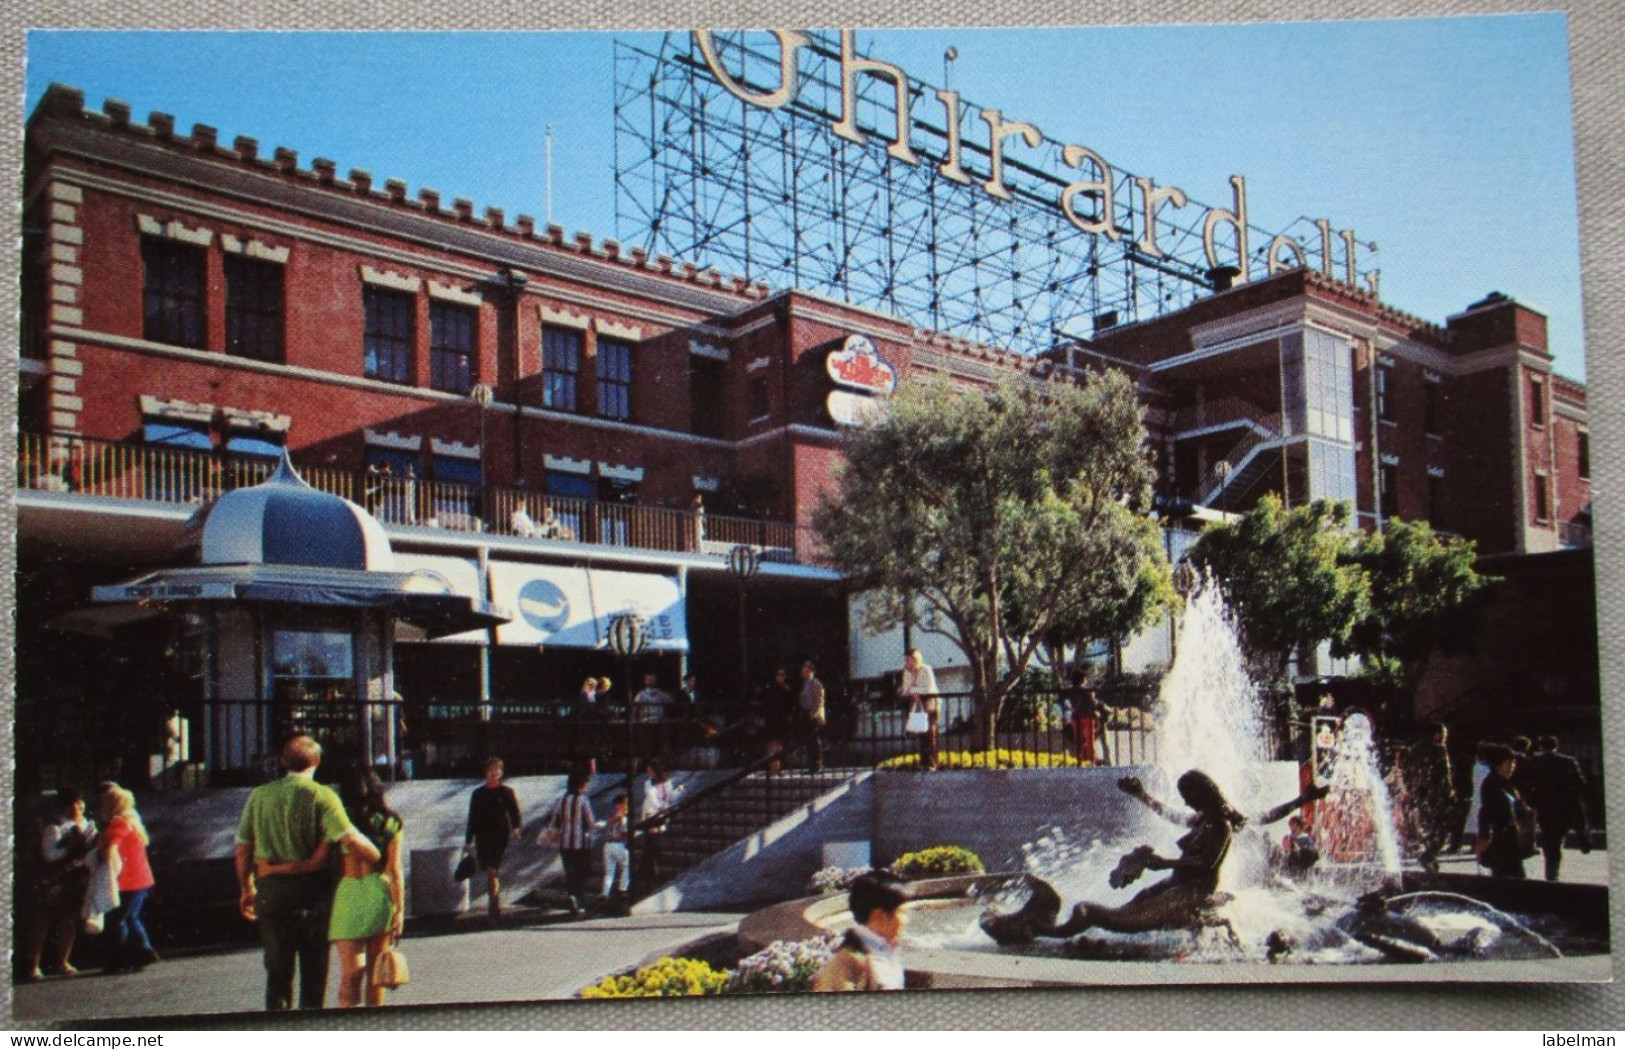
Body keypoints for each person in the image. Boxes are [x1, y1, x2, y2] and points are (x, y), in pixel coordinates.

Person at [982, 771, 1328, 944]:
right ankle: (1040, 924)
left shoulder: (1221, 826)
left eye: (1188, 797)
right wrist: (1141, 795)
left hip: (1187, 896)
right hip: (1171, 887)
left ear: (1200, 794)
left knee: (1092, 912)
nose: (1187, 804)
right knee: (1125, 909)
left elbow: (1206, 864)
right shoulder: (1202, 819)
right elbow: (1171, 815)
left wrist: (1302, 800)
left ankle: (1037, 928)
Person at [236, 735, 380, 1011]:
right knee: (314, 974)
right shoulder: (323, 796)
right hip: (314, 893)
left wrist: (246, 887)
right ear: (317, 762)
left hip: (272, 892)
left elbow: (243, 849)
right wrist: (377, 855)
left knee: (277, 972)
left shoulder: (259, 796)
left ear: (282, 762)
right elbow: (349, 837)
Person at [258, 768, 404, 1008]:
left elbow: (316, 861)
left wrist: (274, 869)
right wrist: (399, 911)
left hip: (349, 895)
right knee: (373, 975)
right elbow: (394, 870)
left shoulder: (336, 820)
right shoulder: (390, 822)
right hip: (376, 894)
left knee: (353, 972)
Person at [23, 788, 96, 981]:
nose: (80, 807)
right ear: (65, 806)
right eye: (75, 803)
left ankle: (63, 961)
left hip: (75, 879)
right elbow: (50, 855)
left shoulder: (87, 824)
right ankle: (33, 965)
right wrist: (70, 850)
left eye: (81, 803)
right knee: (43, 921)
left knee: (69, 921)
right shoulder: (54, 827)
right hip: (53, 880)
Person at [812, 870, 910, 992]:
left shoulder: (885, 950)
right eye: (901, 912)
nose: (906, 920)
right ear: (879, 915)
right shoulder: (847, 962)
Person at [97, 784, 157, 975]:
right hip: (141, 879)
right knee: (131, 917)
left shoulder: (119, 824)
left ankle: (119, 959)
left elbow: (112, 847)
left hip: (127, 881)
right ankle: (143, 952)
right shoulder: (133, 821)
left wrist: (108, 864)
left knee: (118, 920)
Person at [463, 757, 523, 927]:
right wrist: (468, 840)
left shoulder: (507, 792)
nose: (494, 773)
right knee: (490, 872)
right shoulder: (478, 794)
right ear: (485, 772)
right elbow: (472, 818)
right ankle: (495, 907)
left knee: (492, 870)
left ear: (501, 772)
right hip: (483, 836)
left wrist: (516, 828)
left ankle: (492, 911)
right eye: (491, 769)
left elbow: (514, 812)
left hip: (500, 836)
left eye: (497, 769)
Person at [1528, 735, 1590, 881]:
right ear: (1557, 745)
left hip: (1546, 808)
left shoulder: (1536, 762)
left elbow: (1530, 785)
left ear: (1541, 746)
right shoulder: (1568, 761)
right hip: (1567, 806)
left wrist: (1535, 802)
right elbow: (1581, 783)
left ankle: (1551, 872)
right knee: (1566, 833)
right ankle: (1583, 842)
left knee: (1551, 843)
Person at [1405, 721, 1458, 873]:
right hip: (1437, 795)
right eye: (1444, 734)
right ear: (1436, 734)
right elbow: (1444, 775)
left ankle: (1430, 857)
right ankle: (1428, 855)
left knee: (1428, 827)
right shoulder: (1439, 749)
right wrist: (1450, 793)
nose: (1445, 737)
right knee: (1443, 828)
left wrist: (1412, 791)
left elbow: (1408, 772)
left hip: (1421, 795)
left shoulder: (1414, 749)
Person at [545, 770, 597, 917]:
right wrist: (599, 826)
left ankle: (571, 896)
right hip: (580, 843)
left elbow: (554, 820)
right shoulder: (583, 800)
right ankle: (580, 903)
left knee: (570, 872)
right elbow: (590, 822)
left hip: (564, 842)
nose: (587, 786)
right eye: (585, 783)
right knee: (580, 874)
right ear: (581, 784)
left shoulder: (561, 800)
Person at [1476, 743, 1528, 879]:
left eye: (1513, 763)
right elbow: (1485, 812)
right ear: (1498, 764)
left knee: (1514, 877)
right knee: (1507, 877)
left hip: (1511, 839)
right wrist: (1484, 836)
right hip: (1500, 840)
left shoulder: (1507, 784)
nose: (1512, 767)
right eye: (1508, 763)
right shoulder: (1491, 784)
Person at [640, 759, 683, 885]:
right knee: (652, 842)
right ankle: (651, 872)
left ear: (656, 771)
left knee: (654, 843)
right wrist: (660, 808)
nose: (648, 773)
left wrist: (678, 790)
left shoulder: (666, 783)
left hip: (661, 817)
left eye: (650, 771)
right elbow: (652, 798)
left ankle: (650, 871)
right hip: (651, 816)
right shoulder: (648, 784)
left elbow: (670, 797)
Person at [900, 649, 940, 771]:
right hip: (917, 704)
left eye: (908, 659)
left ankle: (932, 763)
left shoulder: (926, 669)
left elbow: (929, 688)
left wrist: (915, 690)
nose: (906, 662)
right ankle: (923, 763)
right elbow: (905, 690)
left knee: (930, 733)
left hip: (930, 703)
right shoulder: (906, 672)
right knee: (920, 733)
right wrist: (913, 691)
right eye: (905, 659)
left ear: (915, 659)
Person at [1061, 671, 1106, 765]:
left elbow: (1063, 704)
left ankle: (1081, 760)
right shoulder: (1086, 690)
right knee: (1089, 740)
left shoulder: (1068, 691)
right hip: (1087, 717)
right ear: (1082, 680)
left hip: (1075, 718)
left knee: (1079, 741)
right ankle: (1092, 760)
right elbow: (1093, 703)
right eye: (1085, 679)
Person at [600, 794, 631, 907]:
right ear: (619, 805)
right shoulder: (622, 817)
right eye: (625, 804)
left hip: (607, 845)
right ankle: (623, 889)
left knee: (609, 872)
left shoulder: (611, 816)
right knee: (628, 865)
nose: (627, 806)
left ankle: (605, 894)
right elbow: (623, 832)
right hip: (618, 845)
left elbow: (606, 828)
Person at [800, 660, 827, 773]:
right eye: (803, 671)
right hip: (806, 713)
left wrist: (814, 712)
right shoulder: (805, 684)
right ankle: (811, 765)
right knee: (808, 740)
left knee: (814, 740)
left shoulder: (816, 684)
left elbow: (819, 700)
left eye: (807, 671)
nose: (804, 673)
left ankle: (817, 765)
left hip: (813, 715)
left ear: (811, 671)